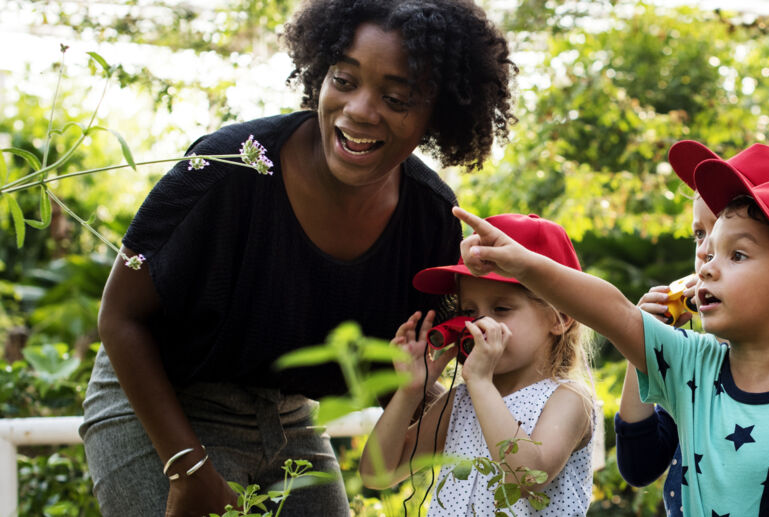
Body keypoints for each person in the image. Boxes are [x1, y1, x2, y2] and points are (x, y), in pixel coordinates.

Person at [79, 0, 516, 514]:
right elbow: (120, 317)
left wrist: (517, 429)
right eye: (344, 80)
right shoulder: (226, 166)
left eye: (396, 98)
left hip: (288, 416)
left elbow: (399, 374)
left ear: (437, 114)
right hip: (161, 402)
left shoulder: (431, 218)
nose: (358, 110)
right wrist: (189, 468)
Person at [451, 142, 769, 516]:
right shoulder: (694, 361)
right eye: (705, 245)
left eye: (737, 255)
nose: (707, 264)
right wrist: (525, 265)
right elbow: (613, 311)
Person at [614, 140, 769, 516]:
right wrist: (643, 345)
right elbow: (639, 467)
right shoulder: (695, 351)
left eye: (735, 246)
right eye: (700, 234)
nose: (706, 250)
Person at [361, 213, 598, 516]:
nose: (479, 324)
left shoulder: (568, 399)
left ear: (560, 318)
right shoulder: (461, 400)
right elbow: (377, 474)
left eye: (501, 308)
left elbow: (527, 477)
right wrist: (409, 393)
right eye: (468, 310)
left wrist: (482, 384)